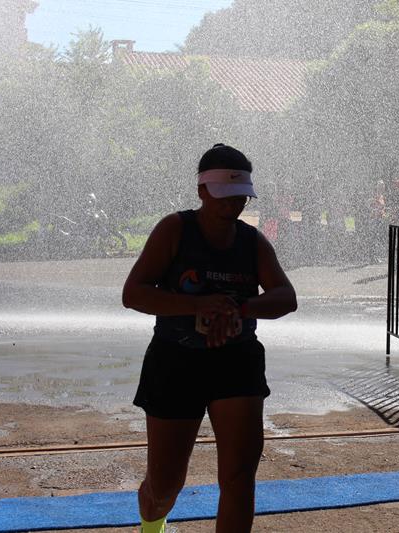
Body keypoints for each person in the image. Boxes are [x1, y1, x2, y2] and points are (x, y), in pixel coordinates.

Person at [122, 143, 297, 533]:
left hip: (236, 362)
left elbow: (287, 297)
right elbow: (133, 293)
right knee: (166, 484)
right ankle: (153, 525)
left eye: (239, 197)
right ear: (202, 190)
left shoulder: (251, 241)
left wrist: (240, 308)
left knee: (238, 478)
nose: (231, 205)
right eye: (223, 196)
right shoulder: (175, 229)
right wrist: (196, 306)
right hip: (175, 360)